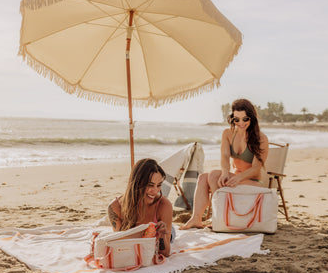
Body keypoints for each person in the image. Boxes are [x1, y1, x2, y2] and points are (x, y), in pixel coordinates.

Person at [181, 98, 269, 229]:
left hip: (252, 182)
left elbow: (256, 169)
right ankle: (196, 218)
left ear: (252, 118)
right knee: (203, 177)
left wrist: (237, 177)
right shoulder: (228, 134)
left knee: (214, 175)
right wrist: (226, 172)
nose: (241, 123)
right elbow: (225, 156)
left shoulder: (261, 138)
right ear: (232, 118)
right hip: (234, 178)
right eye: (236, 119)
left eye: (245, 119)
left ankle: (220, 216)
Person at [108, 158, 174, 256]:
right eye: (150, 185)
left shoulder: (164, 205)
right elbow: (120, 245)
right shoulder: (115, 207)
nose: (155, 191)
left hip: (165, 228)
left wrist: (162, 236)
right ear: (137, 183)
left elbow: (165, 253)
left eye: (159, 185)